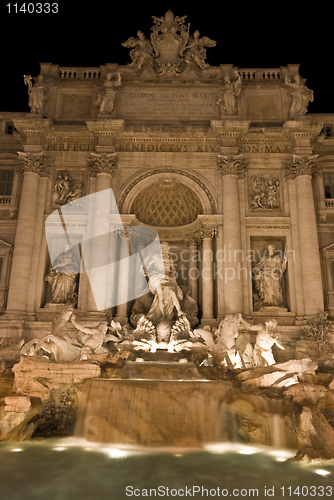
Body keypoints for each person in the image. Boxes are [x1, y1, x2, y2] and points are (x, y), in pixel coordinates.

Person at [141, 242, 184, 324]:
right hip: (157, 277)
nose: (165, 249)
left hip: (167, 278)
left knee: (173, 293)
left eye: (166, 248)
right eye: (163, 247)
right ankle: (162, 315)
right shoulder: (156, 256)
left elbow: (173, 269)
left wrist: (172, 275)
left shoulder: (169, 258)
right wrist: (148, 271)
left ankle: (179, 311)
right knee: (160, 295)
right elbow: (147, 266)